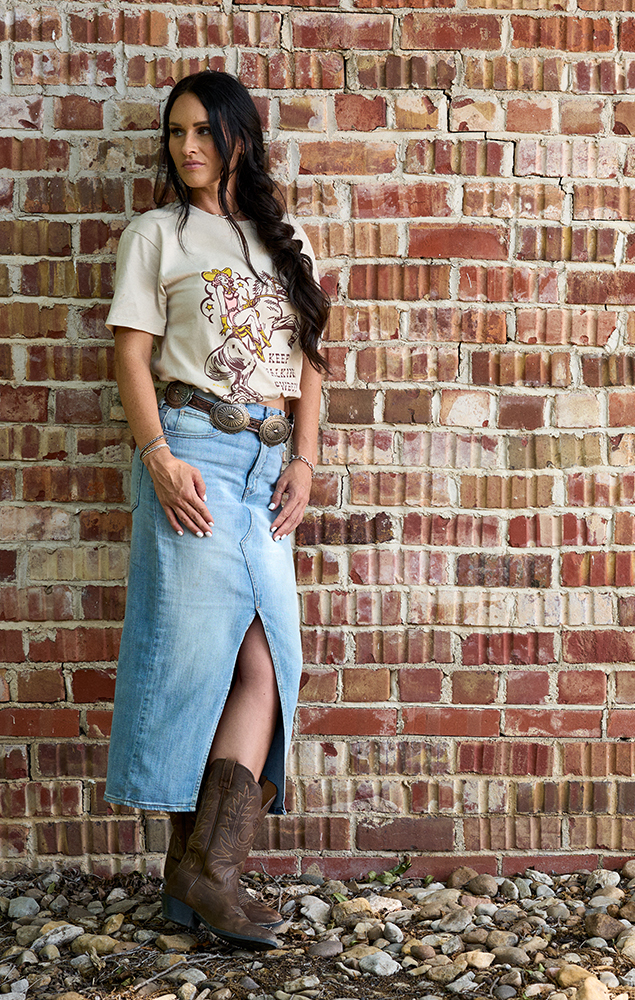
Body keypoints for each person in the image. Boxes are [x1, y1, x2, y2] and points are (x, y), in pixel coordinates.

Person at [104, 70, 329, 950]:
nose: (187, 149)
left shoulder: (287, 239)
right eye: (175, 134)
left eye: (202, 131)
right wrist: (156, 455)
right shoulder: (156, 234)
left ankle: (195, 875)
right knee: (207, 664)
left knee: (268, 664)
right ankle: (205, 872)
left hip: (268, 470)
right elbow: (132, 358)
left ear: (238, 136)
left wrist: (306, 458)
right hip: (194, 457)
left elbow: (312, 363)